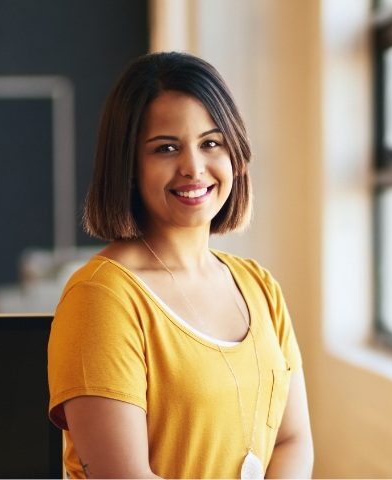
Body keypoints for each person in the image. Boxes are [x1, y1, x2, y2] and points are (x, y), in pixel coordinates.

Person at [47, 51, 314, 479]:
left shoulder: (260, 286)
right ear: (128, 166)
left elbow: (292, 441)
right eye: (166, 148)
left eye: (211, 143)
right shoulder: (100, 299)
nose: (193, 167)